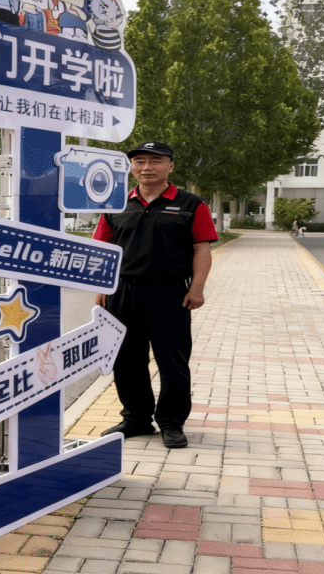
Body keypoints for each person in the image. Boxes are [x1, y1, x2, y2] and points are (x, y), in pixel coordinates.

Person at [93, 141, 217, 449]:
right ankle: (136, 418)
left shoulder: (191, 204)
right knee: (126, 358)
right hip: (122, 290)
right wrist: (101, 287)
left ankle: (171, 423)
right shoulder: (116, 203)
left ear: (170, 166)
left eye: (155, 161)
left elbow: (201, 248)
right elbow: (103, 248)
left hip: (169, 291)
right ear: (131, 167)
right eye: (140, 161)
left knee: (172, 360)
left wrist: (197, 288)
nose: (147, 167)